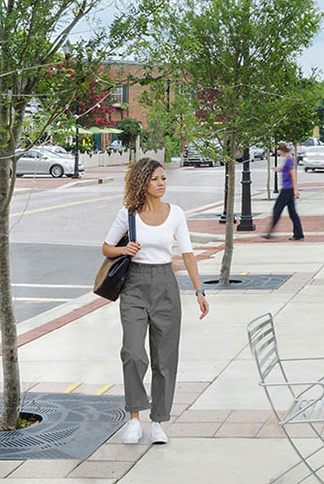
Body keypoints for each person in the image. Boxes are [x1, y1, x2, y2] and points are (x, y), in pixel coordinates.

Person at [103, 158, 209, 446]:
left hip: (165, 285)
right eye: (156, 179)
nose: (162, 183)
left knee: (165, 359)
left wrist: (200, 291)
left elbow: (187, 254)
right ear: (142, 183)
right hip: (135, 287)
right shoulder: (128, 214)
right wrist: (124, 248)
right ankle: (135, 420)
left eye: (164, 178)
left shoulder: (175, 214)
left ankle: (159, 422)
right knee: (133, 353)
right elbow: (106, 247)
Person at [264, 142, 304, 240]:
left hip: (287, 189)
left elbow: (293, 175)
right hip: (288, 188)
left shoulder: (289, 160)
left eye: (278, 150)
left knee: (277, 209)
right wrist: (279, 169)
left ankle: (269, 232)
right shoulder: (288, 159)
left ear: (282, 150)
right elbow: (286, 170)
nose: (278, 152)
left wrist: (295, 190)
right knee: (292, 213)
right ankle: (299, 234)